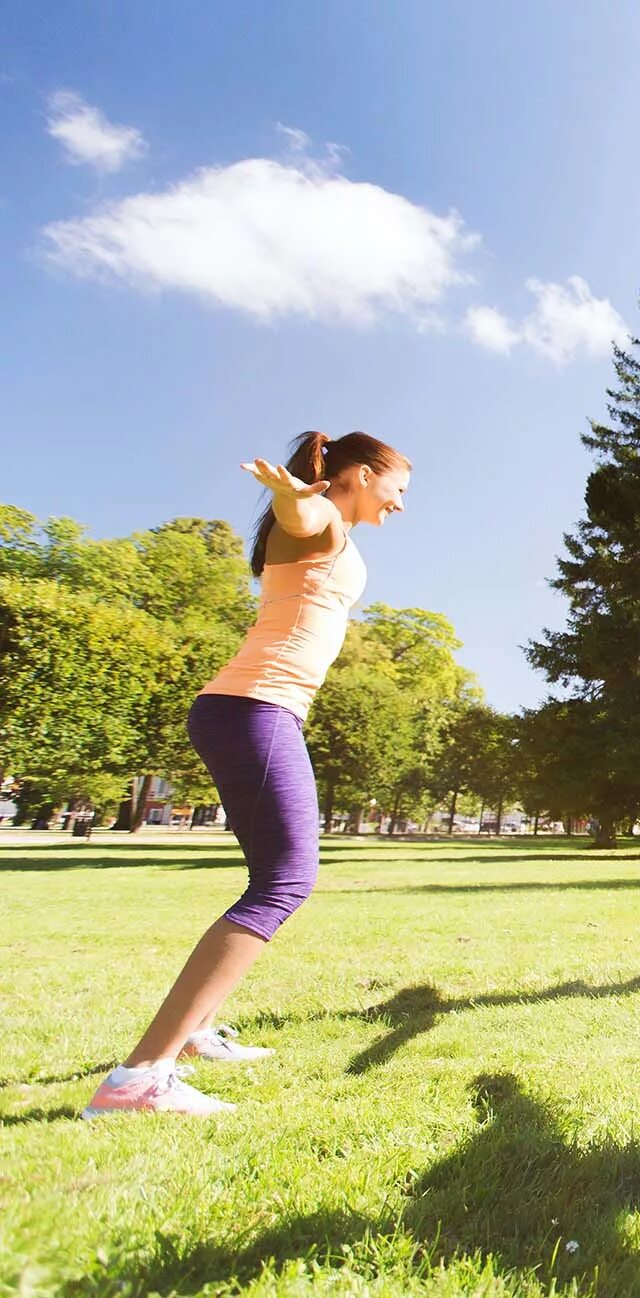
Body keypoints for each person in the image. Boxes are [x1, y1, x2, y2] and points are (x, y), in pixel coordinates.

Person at [85, 432, 411, 1117]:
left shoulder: (332, 534)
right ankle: (139, 1078)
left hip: (255, 711)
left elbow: (313, 521)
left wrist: (301, 505)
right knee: (286, 881)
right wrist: (296, 502)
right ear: (357, 475)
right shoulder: (317, 526)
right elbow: (308, 518)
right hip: (254, 709)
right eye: (397, 489)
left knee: (272, 878)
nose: (401, 505)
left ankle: (195, 1033)